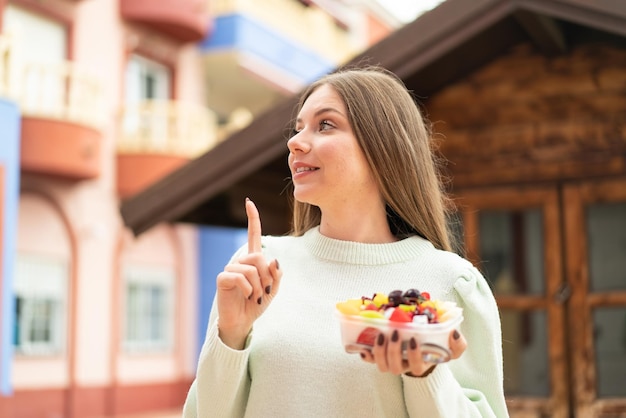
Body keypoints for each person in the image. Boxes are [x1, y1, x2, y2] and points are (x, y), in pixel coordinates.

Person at [183, 66, 509, 418]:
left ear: (383, 145)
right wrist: (230, 335)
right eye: (298, 128)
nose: (295, 142)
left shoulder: (451, 282)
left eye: (325, 124)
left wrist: (425, 374)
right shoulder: (258, 268)